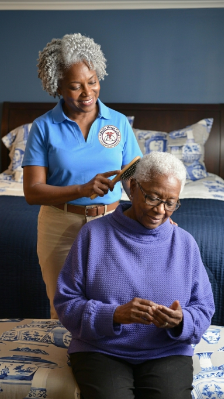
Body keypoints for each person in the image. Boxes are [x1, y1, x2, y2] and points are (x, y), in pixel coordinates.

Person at [54, 151, 215, 399]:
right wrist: (114, 315)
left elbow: (204, 308)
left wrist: (181, 320)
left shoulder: (185, 243)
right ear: (133, 187)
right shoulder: (93, 235)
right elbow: (67, 303)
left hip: (166, 351)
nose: (160, 210)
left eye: (171, 202)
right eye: (152, 198)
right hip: (100, 349)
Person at [22, 33, 142, 318]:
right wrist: (82, 189)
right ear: (58, 87)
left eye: (93, 82)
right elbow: (32, 192)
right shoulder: (43, 127)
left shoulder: (117, 122)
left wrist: (150, 205)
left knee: (112, 302)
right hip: (58, 225)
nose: (87, 93)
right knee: (62, 306)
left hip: (111, 223)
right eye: (76, 87)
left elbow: (132, 173)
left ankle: (106, 360)